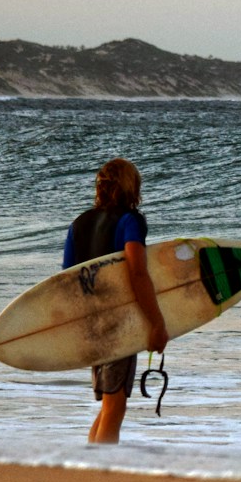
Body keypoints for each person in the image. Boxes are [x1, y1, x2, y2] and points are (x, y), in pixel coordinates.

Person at [63, 158, 168, 444]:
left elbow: (67, 282)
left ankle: (91, 461)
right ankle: (99, 471)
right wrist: (157, 323)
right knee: (115, 404)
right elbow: (137, 271)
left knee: (111, 402)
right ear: (131, 186)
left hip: (89, 321)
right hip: (118, 321)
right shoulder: (129, 221)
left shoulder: (78, 224)